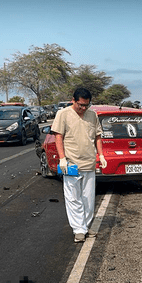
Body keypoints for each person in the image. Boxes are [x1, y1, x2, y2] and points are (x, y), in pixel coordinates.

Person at [51, 88, 105, 243]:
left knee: (88, 198)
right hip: (71, 164)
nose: (83, 109)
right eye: (80, 105)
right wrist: (62, 158)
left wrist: (101, 155)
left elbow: (98, 136)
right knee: (73, 198)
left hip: (89, 163)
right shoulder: (63, 114)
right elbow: (58, 136)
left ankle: (86, 226)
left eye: (86, 105)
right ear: (73, 100)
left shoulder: (92, 115)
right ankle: (78, 229)